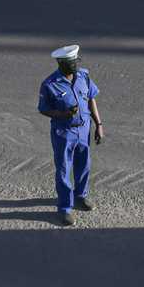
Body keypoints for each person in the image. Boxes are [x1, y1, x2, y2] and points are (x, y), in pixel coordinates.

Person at [38, 44, 105, 226]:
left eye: (76, 60)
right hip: (64, 132)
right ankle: (64, 208)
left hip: (84, 129)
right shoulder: (50, 84)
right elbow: (43, 109)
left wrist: (99, 124)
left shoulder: (83, 76)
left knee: (84, 165)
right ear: (61, 63)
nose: (75, 64)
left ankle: (80, 197)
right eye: (71, 62)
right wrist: (62, 114)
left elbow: (91, 99)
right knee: (63, 169)